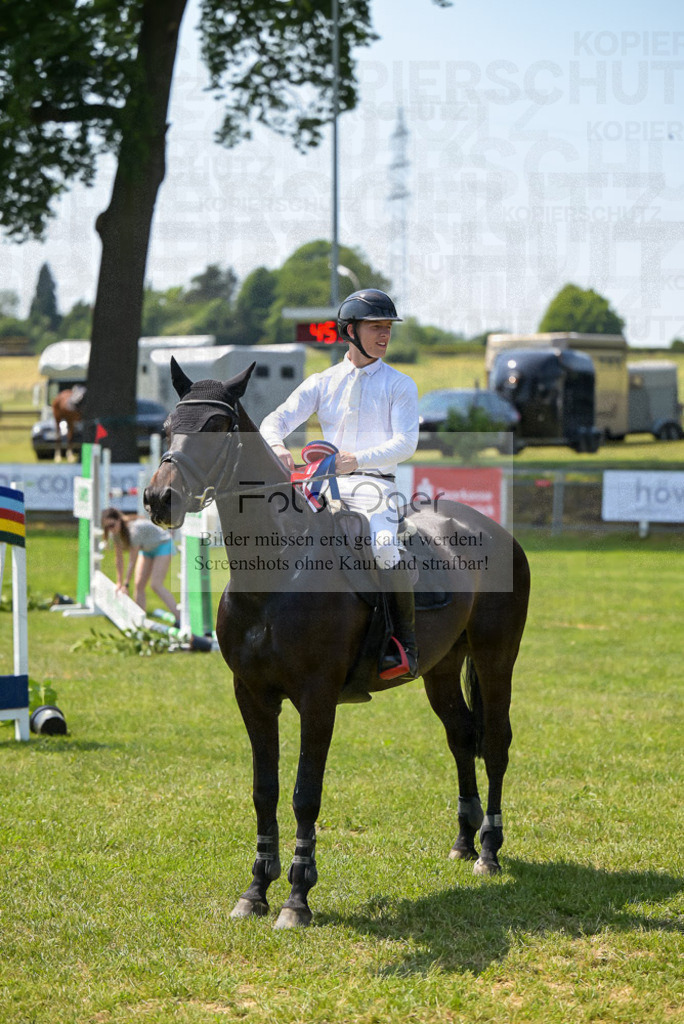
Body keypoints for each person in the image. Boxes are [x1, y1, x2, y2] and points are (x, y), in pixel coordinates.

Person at [260, 288, 419, 679]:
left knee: (384, 547)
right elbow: (274, 420)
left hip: (374, 486)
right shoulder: (323, 381)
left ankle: (401, 643)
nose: (385, 334)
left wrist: (357, 459)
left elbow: (406, 443)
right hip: (322, 485)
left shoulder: (400, 384)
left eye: (388, 327)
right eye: (375, 327)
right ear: (350, 331)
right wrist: (278, 446)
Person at [101, 507, 180, 624]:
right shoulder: (115, 534)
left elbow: (132, 561)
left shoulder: (134, 531)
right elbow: (119, 559)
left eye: (112, 525)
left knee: (156, 585)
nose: (110, 529)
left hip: (163, 544)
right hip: (147, 548)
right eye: (107, 527)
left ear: (119, 520)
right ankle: (139, 621)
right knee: (139, 585)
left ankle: (180, 618)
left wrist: (126, 584)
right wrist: (119, 582)